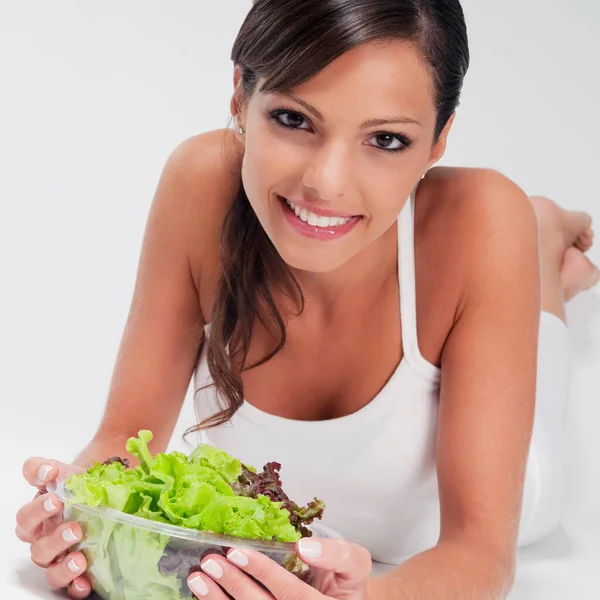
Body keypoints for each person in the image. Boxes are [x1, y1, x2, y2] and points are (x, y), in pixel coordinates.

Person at [15, 1, 600, 599]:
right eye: (295, 120)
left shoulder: (481, 220)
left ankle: (544, 242)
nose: (327, 182)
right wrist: (83, 516)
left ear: (440, 140)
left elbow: (481, 551)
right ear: (241, 95)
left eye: (388, 139)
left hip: (502, 506)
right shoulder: (200, 183)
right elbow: (124, 440)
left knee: (537, 332)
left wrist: (366, 598)